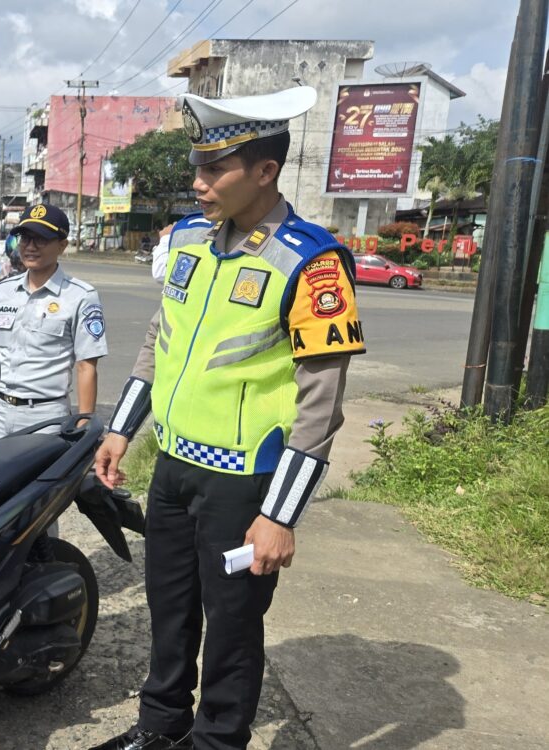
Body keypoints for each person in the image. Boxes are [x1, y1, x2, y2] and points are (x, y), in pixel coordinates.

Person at [91, 86, 365, 750]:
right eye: (199, 166)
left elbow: (321, 405)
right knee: (170, 612)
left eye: (215, 169)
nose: (199, 183)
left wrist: (280, 515)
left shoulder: (312, 260)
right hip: (174, 470)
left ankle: (216, 743)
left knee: (234, 626)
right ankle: (160, 730)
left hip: (247, 486)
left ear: (264, 171)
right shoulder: (188, 239)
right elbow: (160, 341)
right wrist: (122, 429)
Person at [0, 203, 108, 440]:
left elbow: (86, 366)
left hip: (45, 417)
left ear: (62, 245)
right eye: (25, 238)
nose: (30, 247)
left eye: (41, 239)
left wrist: (84, 423)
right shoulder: (4, 291)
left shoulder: (81, 296)